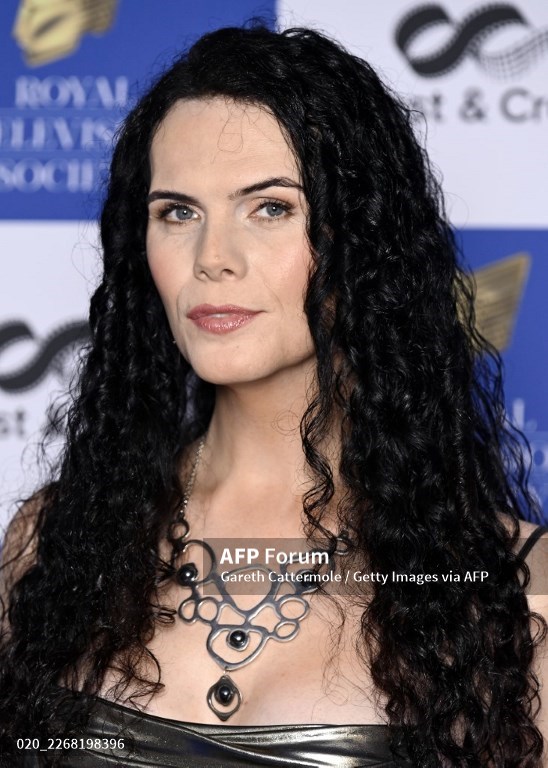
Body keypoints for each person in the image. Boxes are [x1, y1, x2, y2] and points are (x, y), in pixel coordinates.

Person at [1, 22, 547, 768]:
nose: (212, 258)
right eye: (177, 212)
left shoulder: (513, 586)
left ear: (363, 239)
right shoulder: (52, 541)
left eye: (270, 208)